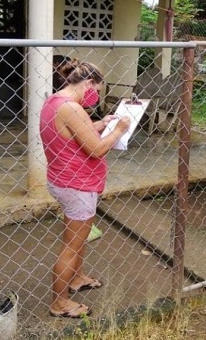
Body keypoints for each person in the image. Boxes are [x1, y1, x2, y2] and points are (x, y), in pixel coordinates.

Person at [40, 58, 131, 318]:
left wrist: (102, 124)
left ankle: (76, 277)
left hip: (64, 179)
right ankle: (59, 302)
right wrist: (120, 129)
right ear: (89, 83)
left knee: (79, 237)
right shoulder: (73, 108)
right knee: (72, 244)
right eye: (98, 89)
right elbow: (97, 148)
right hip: (76, 184)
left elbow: (72, 133)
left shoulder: (55, 101)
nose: (96, 95)